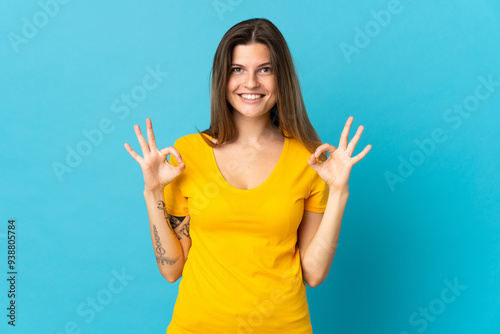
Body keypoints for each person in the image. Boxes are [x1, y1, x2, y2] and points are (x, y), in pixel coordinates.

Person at [124, 18, 371, 334]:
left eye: (265, 70)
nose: (251, 82)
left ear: (281, 78)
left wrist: (338, 192)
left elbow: (314, 273)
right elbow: (171, 269)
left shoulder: (308, 159)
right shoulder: (187, 154)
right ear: (222, 78)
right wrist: (153, 192)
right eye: (237, 69)